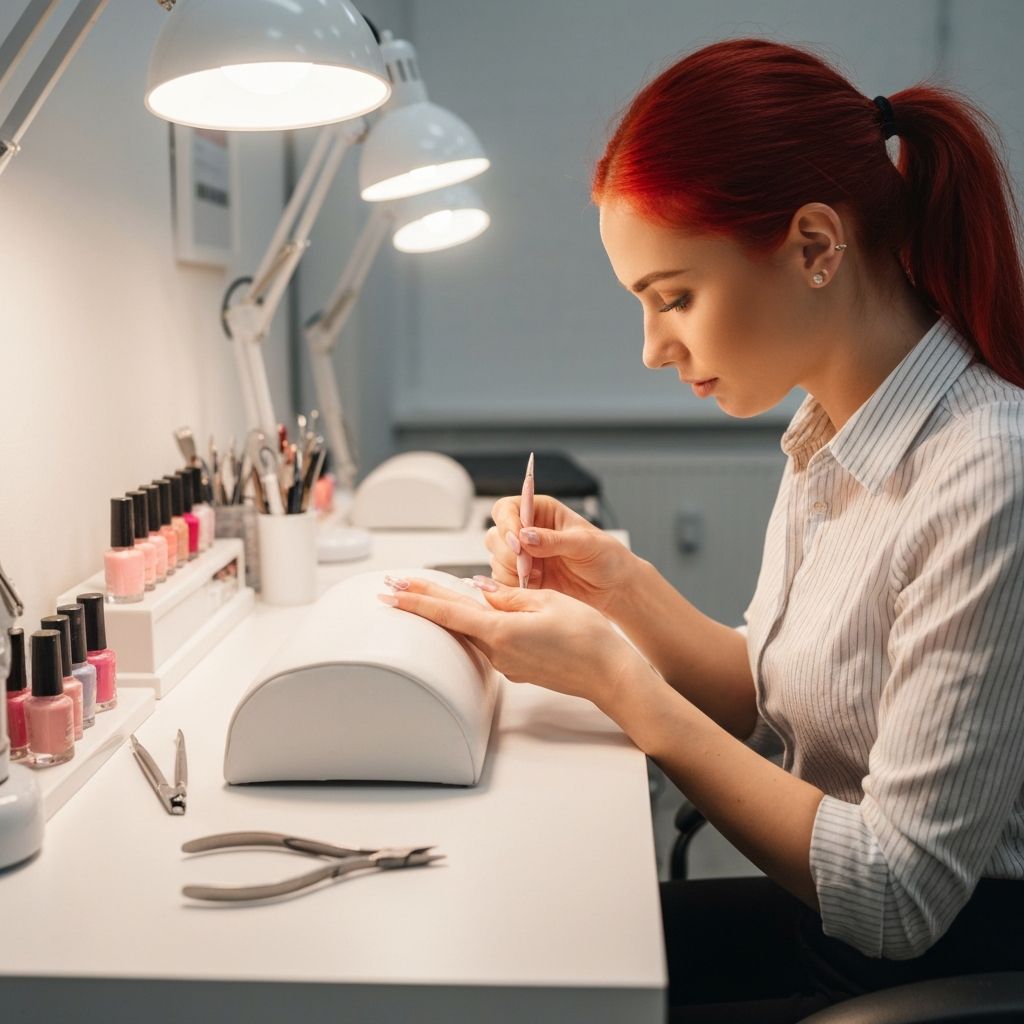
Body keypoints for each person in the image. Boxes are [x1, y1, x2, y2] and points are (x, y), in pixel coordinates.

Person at [376, 37, 1024, 1022]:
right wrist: (618, 587)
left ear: (815, 246)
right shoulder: (828, 434)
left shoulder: (987, 469)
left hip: (931, 965)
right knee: (522, 956)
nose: (652, 349)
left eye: (674, 297)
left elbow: (900, 896)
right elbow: (767, 701)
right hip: (835, 932)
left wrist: (621, 682)